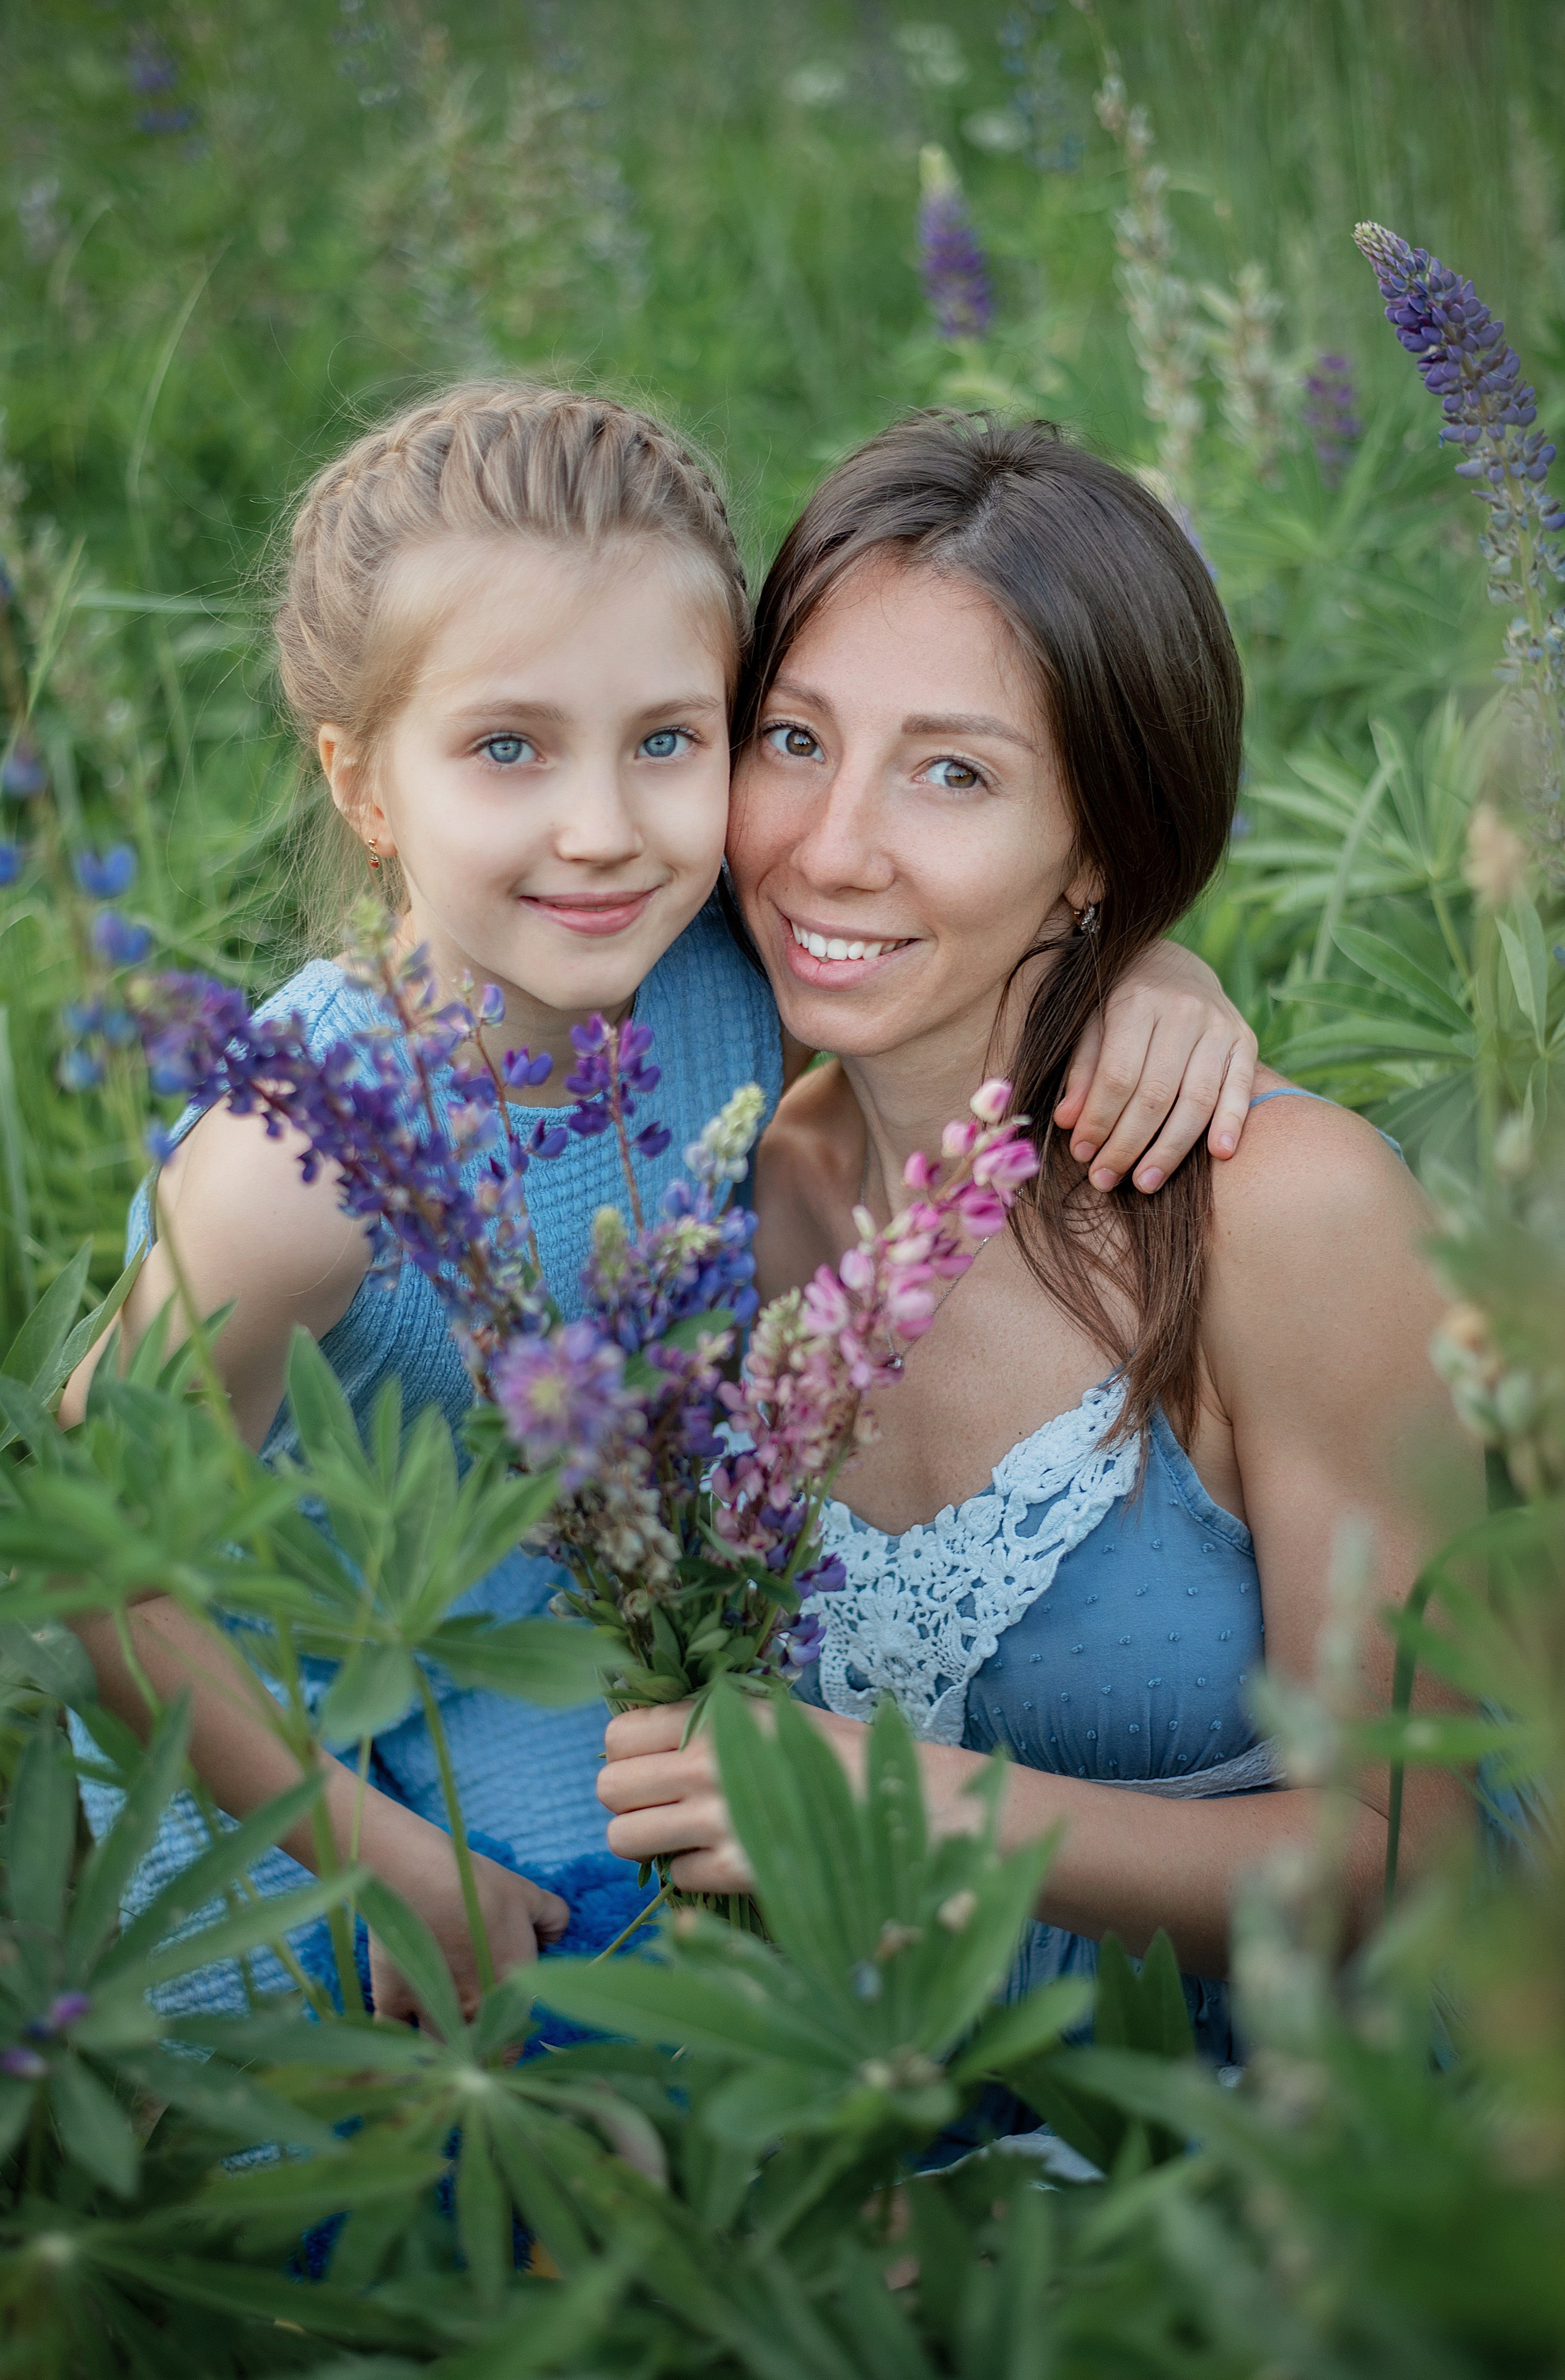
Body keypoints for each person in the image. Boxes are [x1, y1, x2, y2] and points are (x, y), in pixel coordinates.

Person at [63, 385, 1257, 2021]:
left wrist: (1142, 970)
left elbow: (956, 963)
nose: (602, 830)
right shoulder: (292, 1166)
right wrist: (380, 1871)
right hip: (299, 1789)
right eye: (506, 747)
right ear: (363, 783)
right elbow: (105, 1572)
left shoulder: (705, 970)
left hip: (577, 1661)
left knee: (723, 1988)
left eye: (670, 741)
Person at [597, 413, 1477, 2067]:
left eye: (956, 772)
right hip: (871, 2125)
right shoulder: (724, 1187)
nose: (829, 843)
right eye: (792, 738)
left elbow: (1408, 1855)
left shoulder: (1286, 1214)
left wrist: (912, 1806)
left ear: (1098, 847)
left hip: (1273, 2162)